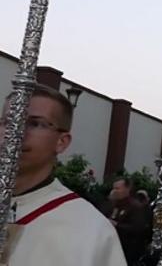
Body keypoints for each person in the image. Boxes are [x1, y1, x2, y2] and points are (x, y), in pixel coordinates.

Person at [0, 85, 126, 265]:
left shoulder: (90, 230)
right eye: (9, 120)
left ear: (61, 142)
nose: (16, 132)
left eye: (35, 123)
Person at [108, 177, 150, 265]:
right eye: (114, 188)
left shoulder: (135, 207)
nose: (115, 191)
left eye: (117, 188)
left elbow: (138, 229)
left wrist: (117, 225)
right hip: (112, 248)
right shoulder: (113, 204)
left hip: (127, 251)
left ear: (127, 189)